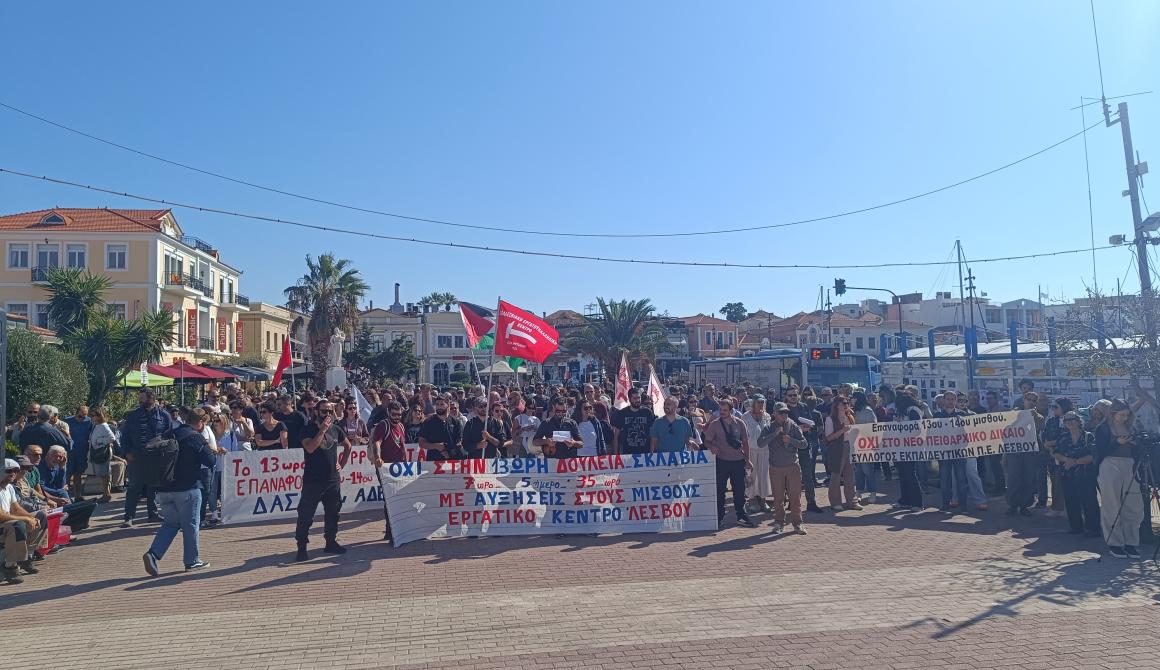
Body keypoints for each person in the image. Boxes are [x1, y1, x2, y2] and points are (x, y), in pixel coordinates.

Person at [142, 407, 216, 576]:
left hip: (164, 488)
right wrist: (212, 449)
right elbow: (210, 461)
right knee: (191, 525)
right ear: (200, 422)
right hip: (187, 489)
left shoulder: (170, 433)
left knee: (171, 523)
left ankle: (153, 554)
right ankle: (192, 561)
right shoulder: (195, 437)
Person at [296, 400, 353, 561]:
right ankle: (302, 547)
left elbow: (348, 446)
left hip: (332, 480)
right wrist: (322, 430)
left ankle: (330, 542)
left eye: (330, 411)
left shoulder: (336, 429)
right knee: (306, 515)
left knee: (333, 514)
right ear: (316, 412)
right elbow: (310, 448)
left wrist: (341, 463)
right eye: (324, 411)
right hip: (313, 481)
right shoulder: (308, 429)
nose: (327, 415)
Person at [1093, 399, 1144, 559]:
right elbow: (1101, 451)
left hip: (1129, 465)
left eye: (1127, 415)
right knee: (1112, 505)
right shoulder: (1103, 428)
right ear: (1113, 413)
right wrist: (1117, 442)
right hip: (1110, 464)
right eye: (1122, 415)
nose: (1125, 418)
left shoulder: (1131, 426)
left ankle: (1131, 542)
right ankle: (1115, 543)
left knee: (1133, 505)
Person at [119, 389, 174, 527]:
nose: (140, 401)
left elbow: (169, 435)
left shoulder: (164, 415)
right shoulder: (133, 416)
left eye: (142, 398)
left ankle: (153, 514)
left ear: (151, 398)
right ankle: (129, 517)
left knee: (153, 486)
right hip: (136, 456)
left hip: (155, 456)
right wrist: (126, 453)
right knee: (134, 487)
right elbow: (125, 436)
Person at [703, 398, 756, 528]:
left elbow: (745, 443)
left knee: (739, 490)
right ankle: (719, 517)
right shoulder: (715, 424)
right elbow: (707, 441)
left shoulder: (740, 423)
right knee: (720, 490)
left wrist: (748, 459)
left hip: (738, 461)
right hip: (722, 461)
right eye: (720, 410)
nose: (722, 412)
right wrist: (712, 447)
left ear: (731, 410)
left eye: (725, 410)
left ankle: (741, 515)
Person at [760, 402, 808, 535]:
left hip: (792, 466)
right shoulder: (769, 427)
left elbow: (804, 444)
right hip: (776, 467)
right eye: (781, 412)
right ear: (774, 414)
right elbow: (760, 442)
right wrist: (774, 434)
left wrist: (791, 440)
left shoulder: (793, 426)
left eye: (786, 412)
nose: (784, 415)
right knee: (778, 497)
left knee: (795, 496)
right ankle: (779, 523)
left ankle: (798, 523)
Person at [1053, 411, 1100, 536]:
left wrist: (1075, 462)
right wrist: (1066, 460)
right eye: (1066, 420)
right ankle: (1076, 527)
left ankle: (1093, 528)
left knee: (1089, 501)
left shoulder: (1088, 436)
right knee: (1071, 501)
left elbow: (1093, 456)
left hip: (1085, 474)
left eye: (1072, 419)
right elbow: (1056, 453)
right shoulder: (1063, 437)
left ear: (1079, 421)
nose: (1069, 422)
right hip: (1067, 474)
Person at [1, 459, 46, 585]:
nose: (13, 473)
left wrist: (30, 518)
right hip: (3, 522)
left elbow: (16, 509)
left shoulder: (9, 487)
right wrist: (25, 519)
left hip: (6, 520)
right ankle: (10, 567)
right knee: (17, 525)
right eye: (9, 471)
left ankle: (28, 557)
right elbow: (1, 515)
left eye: (16, 470)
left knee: (40, 516)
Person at [784, 386, 824, 514]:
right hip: (789, 447)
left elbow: (811, 422)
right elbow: (781, 427)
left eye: (795, 395)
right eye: (790, 395)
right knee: (792, 476)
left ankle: (811, 502)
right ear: (786, 397)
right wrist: (799, 428)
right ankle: (792, 502)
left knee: (808, 475)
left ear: (798, 395)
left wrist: (808, 427)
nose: (793, 397)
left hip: (804, 444)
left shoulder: (804, 407)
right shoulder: (783, 408)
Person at [371, 401, 407, 541]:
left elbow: (402, 446)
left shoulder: (401, 426)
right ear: (388, 413)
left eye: (399, 415)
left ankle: (394, 528)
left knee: (398, 498)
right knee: (390, 499)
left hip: (399, 468)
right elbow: (377, 442)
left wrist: (406, 464)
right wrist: (377, 457)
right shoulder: (383, 425)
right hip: (386, 469)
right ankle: (390, 530)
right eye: (394, 414)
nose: (396, 417)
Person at [1004, 391, 1043, 518]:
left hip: (1030, 452)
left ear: (1036, 403)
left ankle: (1025, 506)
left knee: (1029, 478)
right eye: (1028, 399)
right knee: (1013, 478)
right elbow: (1005, 427)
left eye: (1034, 400)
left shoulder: (1039, 417)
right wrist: (1013, 415)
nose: (1031, 402)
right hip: (1015, 450)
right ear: (1024, 400)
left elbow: (1038, 428)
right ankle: (1012, 505)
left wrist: (1034, 416)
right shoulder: (1014, 413)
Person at [823, 396, 861, 511]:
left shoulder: (850, 417)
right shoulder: (830, 419)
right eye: (843, 403)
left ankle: (852, 501)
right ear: (836, 405)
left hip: (850, 446)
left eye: (847, 403)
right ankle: (835, 502)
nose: (846, 405)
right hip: (837, 448)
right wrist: (842, 431)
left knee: (850, 475)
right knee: (836, 475)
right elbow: (829, 438)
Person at [892, 394, 925, 511]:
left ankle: (917, 503)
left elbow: (917, 429)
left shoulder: (913, 411)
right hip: (900, 447)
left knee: (910, 474)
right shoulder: (903, 411)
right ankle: (905, 500)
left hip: (910, 447)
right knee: (903, 474)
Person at [740, 396, 772, 513]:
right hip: (751, 450)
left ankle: (763, 500)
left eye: (763, 402)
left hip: (765, 450)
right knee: (751, 475)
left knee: (764, 475)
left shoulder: (767, 416)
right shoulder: (745, 417)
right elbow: (743, 436)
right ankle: (751, 500)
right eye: (758, 402)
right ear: (753, 403)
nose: (761, 404)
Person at [88, 408, 122, 503]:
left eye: (93, 415)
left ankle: (106, 494)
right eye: (91, 415)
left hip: (102, 452)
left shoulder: (103, 425)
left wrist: (100, 441)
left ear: (99, 416)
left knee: (104, 474)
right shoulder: (96, 425)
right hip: (96, 451)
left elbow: (112, 438)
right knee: (102, 474)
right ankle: (105, 493)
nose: (92, 417)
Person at [851, 392, 879, 504]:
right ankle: (859, 491)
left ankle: (872, 492)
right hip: (856, 444)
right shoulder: (854, 411)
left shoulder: (867, 410)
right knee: (858, 470)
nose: (852, 400)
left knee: (867, 469)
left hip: (867, 444)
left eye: (853, 398)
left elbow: (873, 427)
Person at [417, 396, 462, 461]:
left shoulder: (456, 422)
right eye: (437, 404)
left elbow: (459, 442)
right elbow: (421, 443)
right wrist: (436, 446)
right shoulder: (428, 422)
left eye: (442, 404)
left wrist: (450, 453)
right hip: (433, 461)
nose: (439, 407)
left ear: (448, 405)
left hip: (452, 461)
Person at [613, 388, 655, 455]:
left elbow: (653, 434)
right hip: (628, 454)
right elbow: (616, 436)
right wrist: (615, 455)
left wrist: (652, 451)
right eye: (634, 398)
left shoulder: (648, 412)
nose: (637, 400)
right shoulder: (622, 413)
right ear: (629, 399)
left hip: (645, 453)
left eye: (639, 398)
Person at [64, 406, 94, 501]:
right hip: (69, 451)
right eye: (80, 416)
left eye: (85, 416)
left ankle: (78, 495)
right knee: (67, 474)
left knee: (78, 474)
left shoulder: (89, 421)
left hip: (82, 451)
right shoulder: (67, 421)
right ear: (76, 413)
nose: (82, 418)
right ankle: (65, 496)